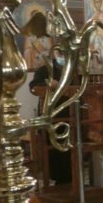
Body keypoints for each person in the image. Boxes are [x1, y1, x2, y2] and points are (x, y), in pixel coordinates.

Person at [29, 51, 72, 185]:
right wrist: (48, 83)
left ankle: (70, 179)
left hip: (69, 114)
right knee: (53, 149)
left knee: (68, 147)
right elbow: (33, 86)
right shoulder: (45, 70)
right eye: (60, 54)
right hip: (51, 116)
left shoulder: (72, 68)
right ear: (55, 54)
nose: (63, 57)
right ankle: (58, 179)